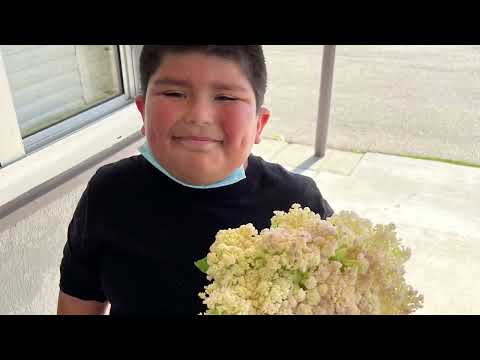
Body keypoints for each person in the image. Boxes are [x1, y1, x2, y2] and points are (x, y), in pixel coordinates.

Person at [57, 45, 333, 316]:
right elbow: (77, 303)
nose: (199, 115)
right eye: (174, 93)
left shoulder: (298, 206)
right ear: (143, 112)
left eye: (226, 97)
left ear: (259, 124)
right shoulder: (110, 194)